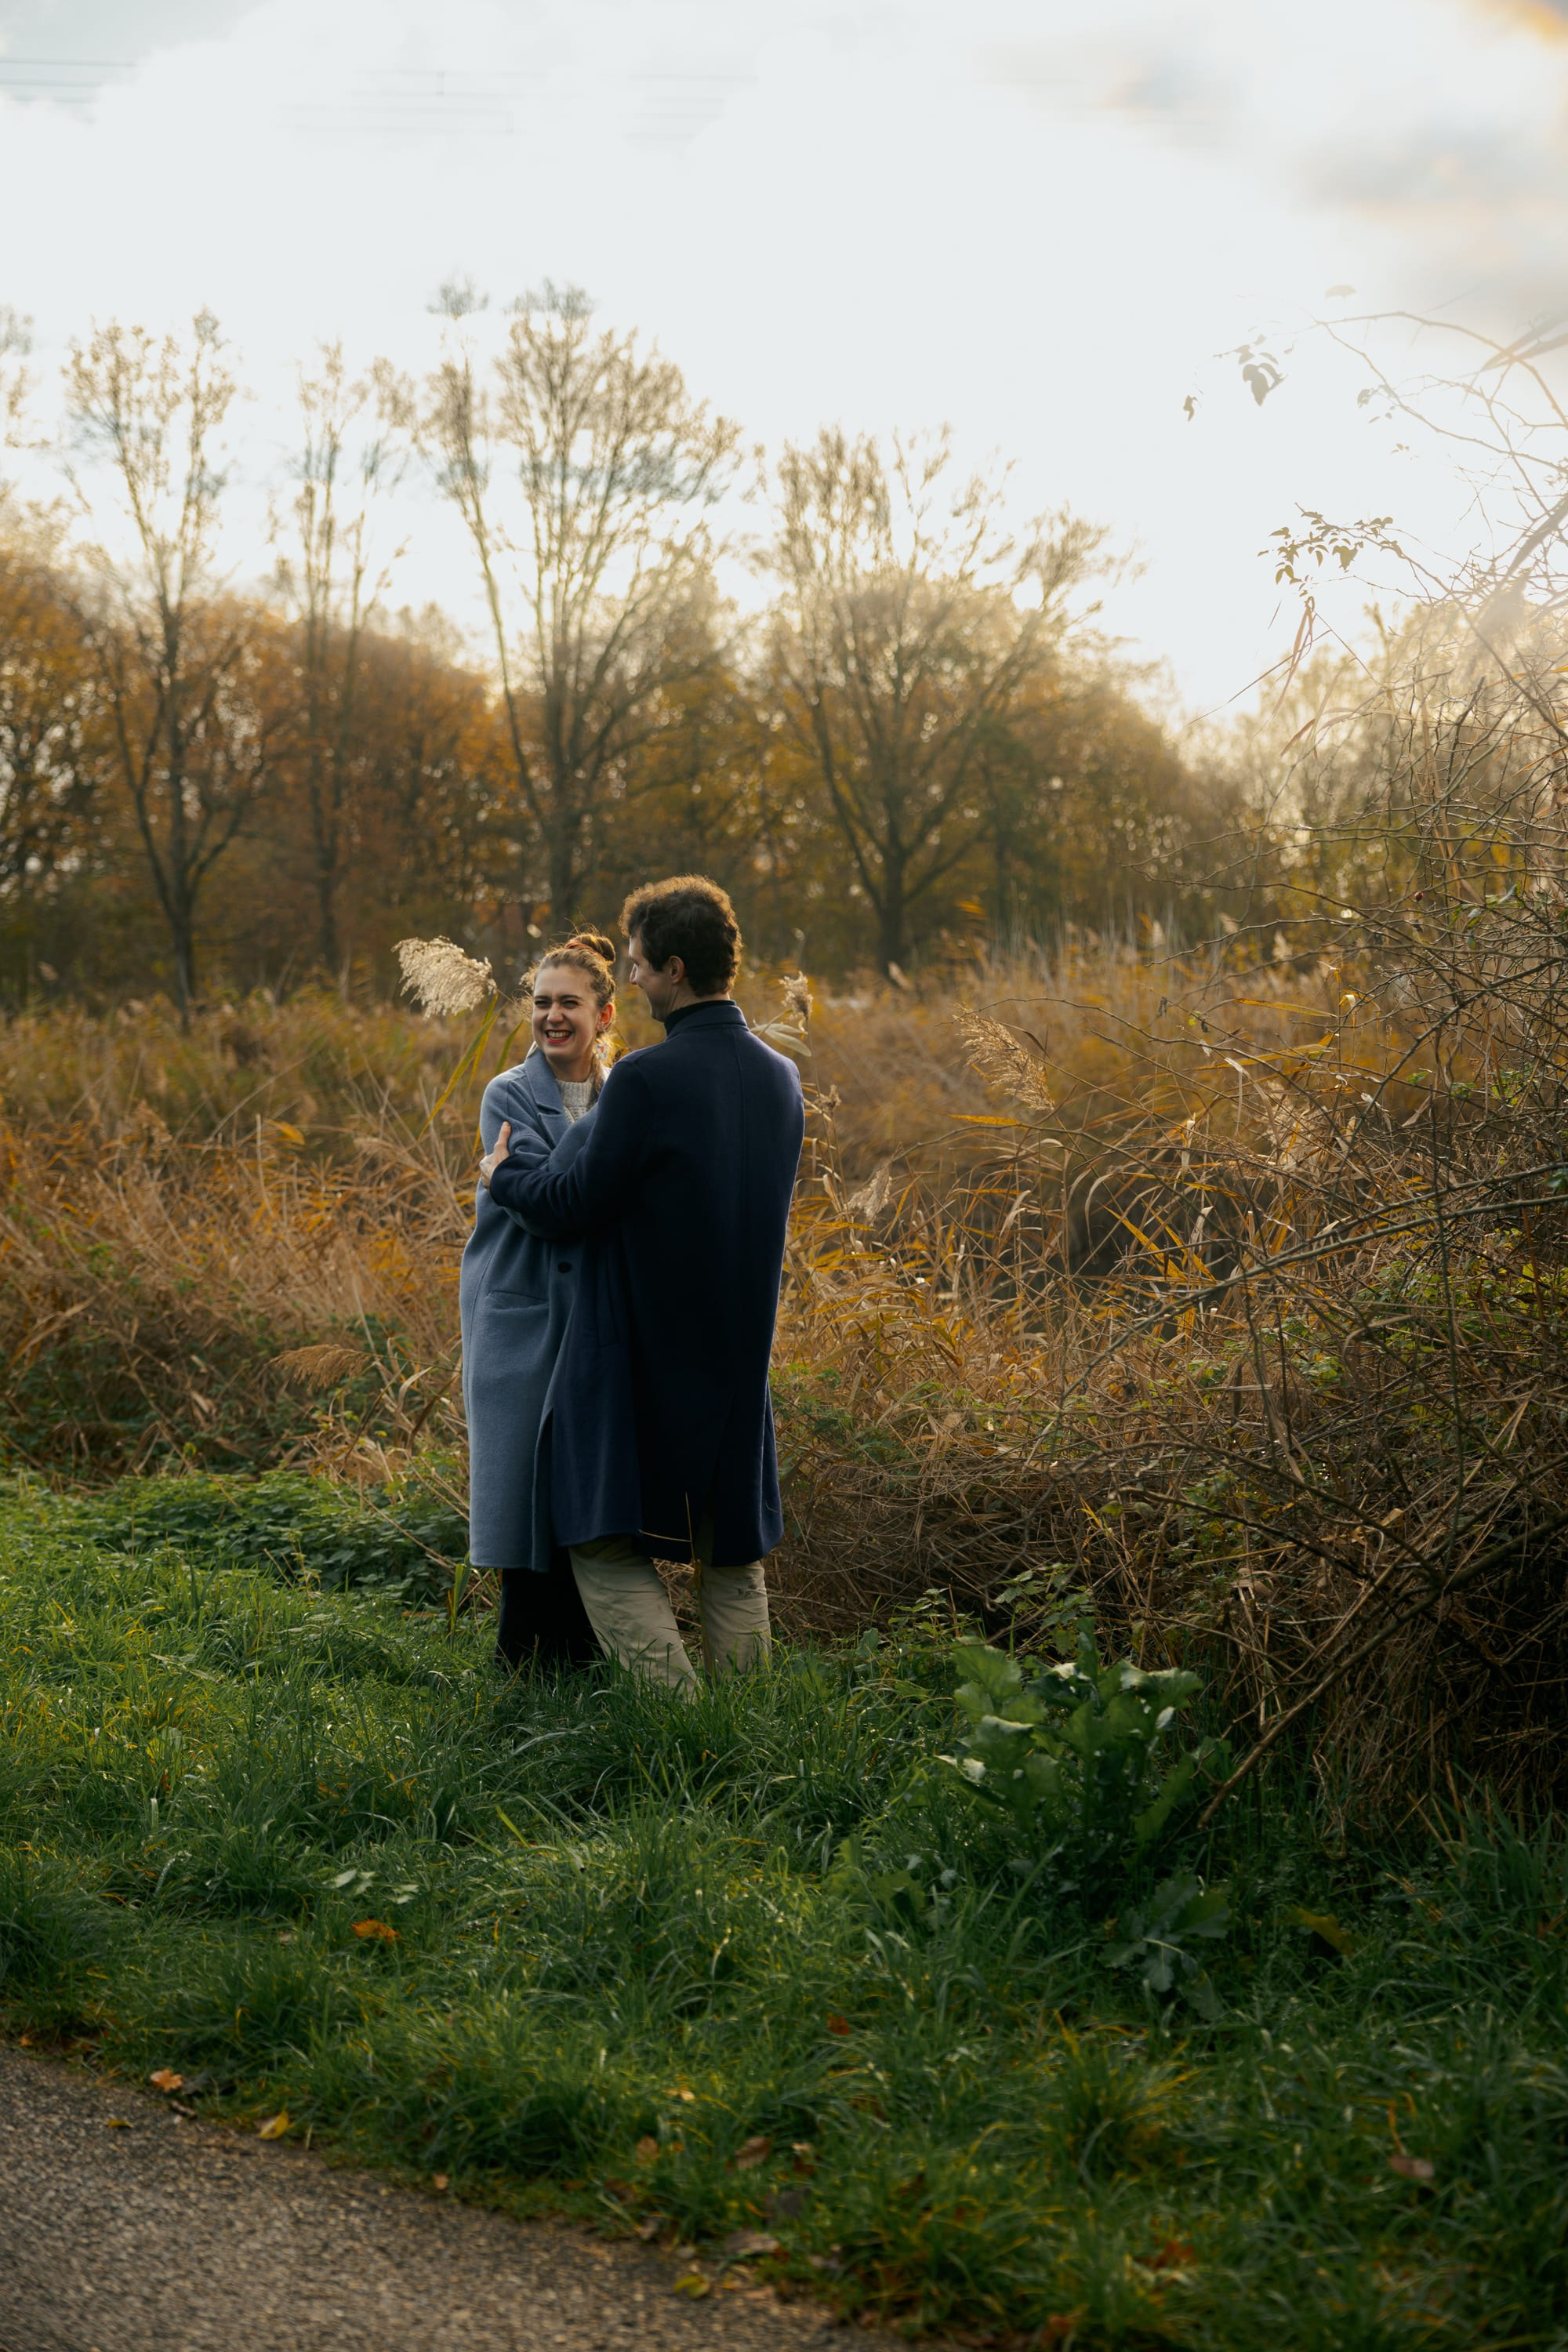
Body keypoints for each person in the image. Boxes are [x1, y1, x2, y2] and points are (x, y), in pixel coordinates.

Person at [480, 875, 805, 1691]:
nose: (630, 979)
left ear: (671, 969)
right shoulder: (781, 1078)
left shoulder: (645, 1081)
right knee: (726, 1546)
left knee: (596, 1536)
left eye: (634, 967)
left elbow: (570, 1203)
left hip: (643, 1348)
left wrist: (505, 1173)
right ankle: (748, 1722)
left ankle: (681, 1718)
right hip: (741, 1351)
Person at [460, 931, 618, 1671]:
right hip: (519, 1315)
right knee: (521, 1484)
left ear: (605, 1016)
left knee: (580, 1484)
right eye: (542, 1003)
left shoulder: (625, 1094)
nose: (552, 1017)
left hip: (590, 1316)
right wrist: (596, 1159)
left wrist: (509, 1174)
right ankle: (518, 1663)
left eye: (569, 1004)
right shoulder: (507, 1092)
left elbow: (559, 1188)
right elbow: (551, 1207)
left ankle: (581, 1656)